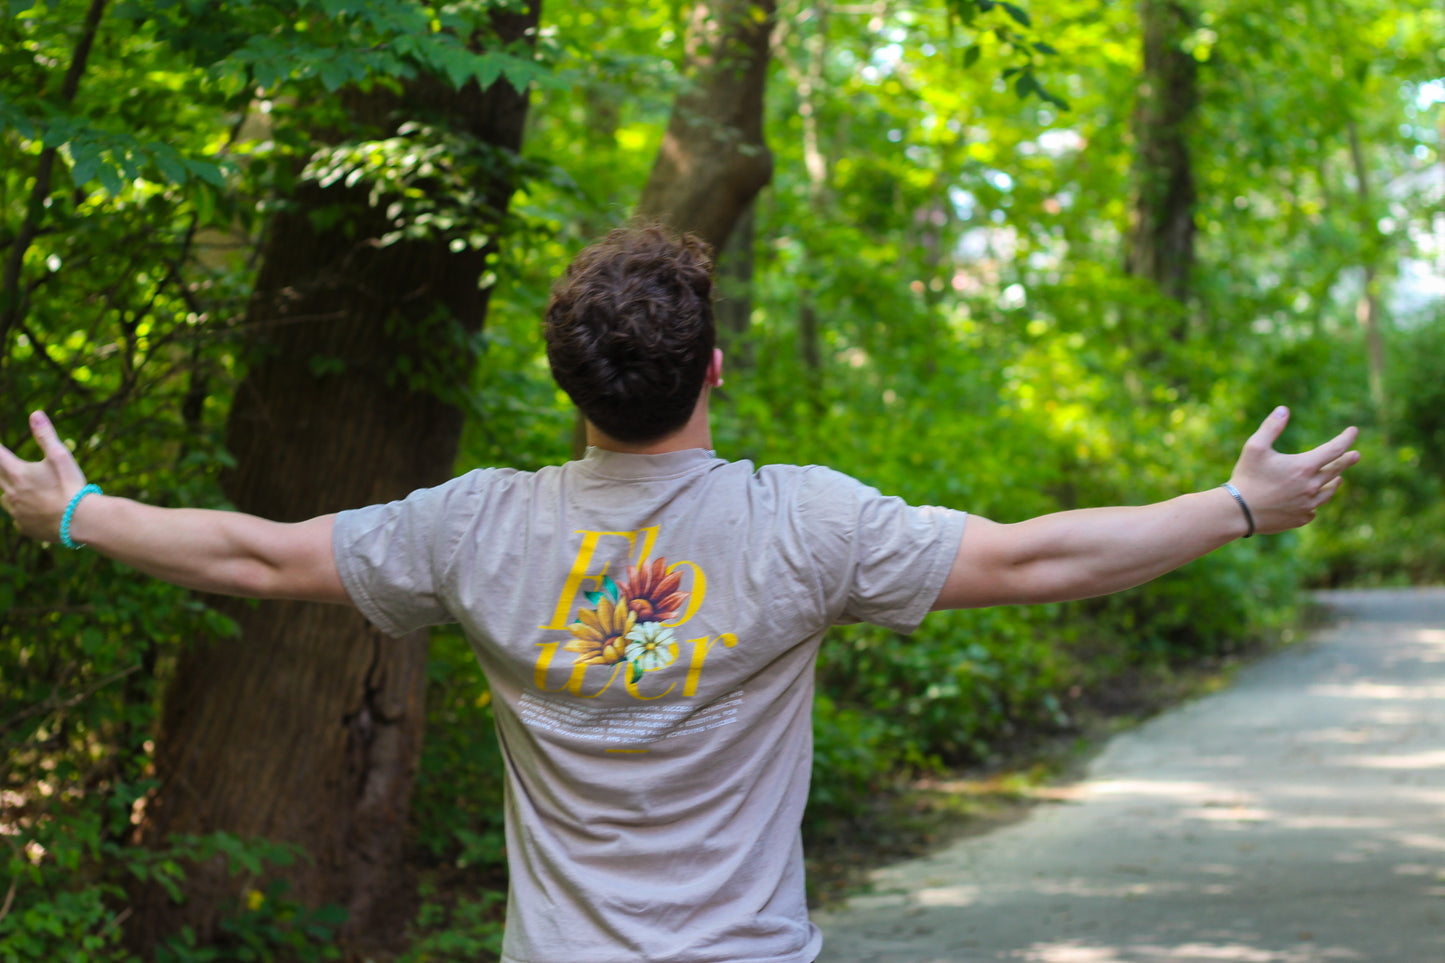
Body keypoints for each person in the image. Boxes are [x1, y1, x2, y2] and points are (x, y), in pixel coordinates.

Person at [0, 225, 1358, 963]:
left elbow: (254, 556)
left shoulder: (476, 528)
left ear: (567, 388)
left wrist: (72, 509)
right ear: (713, 372)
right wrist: (1239, 504)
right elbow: (1035, 558)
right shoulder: (802, 523)